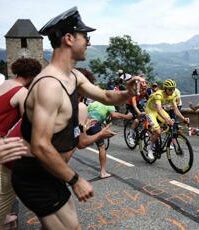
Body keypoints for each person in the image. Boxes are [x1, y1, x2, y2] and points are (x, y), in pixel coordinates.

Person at [11, 7, 143, 230]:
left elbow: (105, 95)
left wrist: (129, 93)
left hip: (51, 173)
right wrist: (75, 179)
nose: (89, 43)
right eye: (85, 37)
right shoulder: (49, 86)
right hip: (34, 177)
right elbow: (40, 145)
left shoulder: (73, 76)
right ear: (69, 39)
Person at [0, 58, 42, 227]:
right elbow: (27, 126)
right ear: (32, 76)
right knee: (4, 192)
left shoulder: (5, 84)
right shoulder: (22, 93)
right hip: (3, 146)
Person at [145, 79, 189, 159]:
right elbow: (159, 109)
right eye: (170, 89)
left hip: (159, 111)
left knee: (170, 123)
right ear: (165, 89)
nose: (172, 91)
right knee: (158, 131)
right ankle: (149, 148)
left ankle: (166, 141)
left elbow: (175, 109)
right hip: (150, 111)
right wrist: (166, 119)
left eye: (173, 89)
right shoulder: (158, 95)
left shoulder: (172, 95)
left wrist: (183, 118)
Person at [87, 101, 132, 178]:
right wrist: (126, 116)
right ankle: (103, 172)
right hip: (94, 124)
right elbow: (114, 115)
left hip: (86, 124)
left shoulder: (94, 103)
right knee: (101, 147)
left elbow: (96, 115)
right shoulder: (109, 103)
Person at [126, 81, 148, 145]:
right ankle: (130, 136)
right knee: (136, 120)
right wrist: (139, 113)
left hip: (138, 104)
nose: (144, 91)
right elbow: (134, 106)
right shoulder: (134, 93)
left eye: (145, 89)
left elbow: (150, 101)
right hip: (130, 105)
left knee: (147, 116)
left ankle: (144, 130)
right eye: (142, 89)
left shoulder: (145, 93)